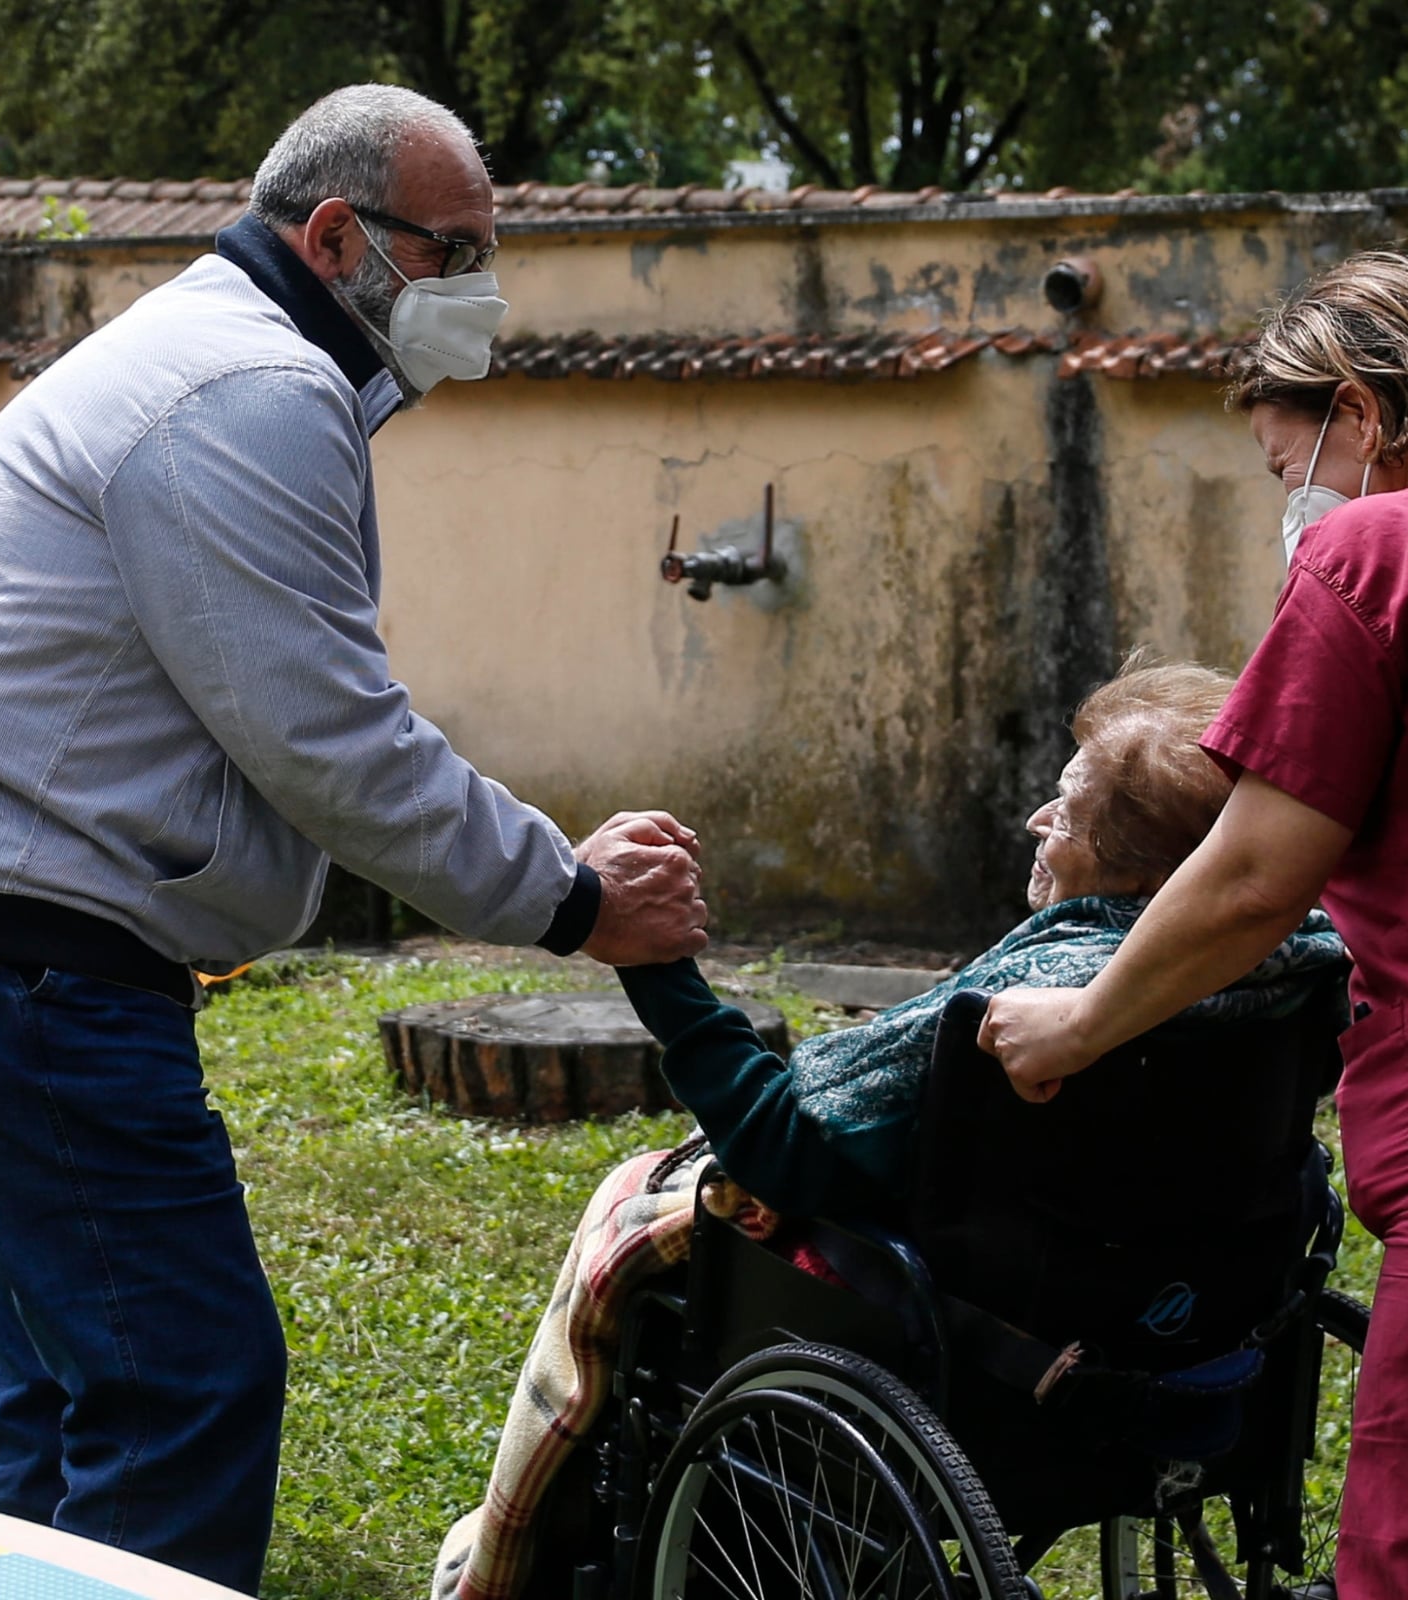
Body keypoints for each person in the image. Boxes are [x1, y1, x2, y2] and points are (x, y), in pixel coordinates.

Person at [0, 85, 705, 1594]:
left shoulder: (236, 365)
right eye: (456, 252)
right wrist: (576, 900)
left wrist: (560, 874)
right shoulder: (246, 391)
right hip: (31, 959)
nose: (484, 294)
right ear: (336, 234)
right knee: (178, 1389)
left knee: (76, 1398)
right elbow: (332, 743)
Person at [431, 656, 1345, 1600]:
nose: (1037, 820)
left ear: (1145, 867)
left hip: (995, 1346)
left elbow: (783, 1148)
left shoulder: (1030, 1006)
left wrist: (655, 963)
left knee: (637, 1196)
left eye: (1067, 811)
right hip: (1204, 1329)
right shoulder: (1300, 963)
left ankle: (497, 1565)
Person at [979, 251, 1408, 1600]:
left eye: (1289, 466)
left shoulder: (1384, 552)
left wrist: (1083, 1024)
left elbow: (1259, 873)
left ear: (1362, 412)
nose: (1295, 500)